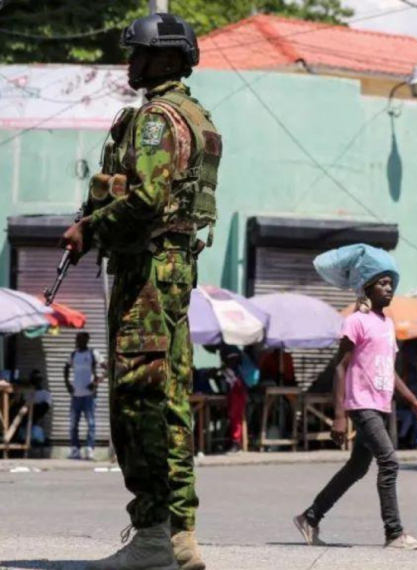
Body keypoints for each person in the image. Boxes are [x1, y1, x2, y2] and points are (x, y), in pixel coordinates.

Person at [62, 12, 222, 570]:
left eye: (140, 54)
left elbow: (148, 198)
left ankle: (155, 536)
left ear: (171, 59)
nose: (130, 63)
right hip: (173, 268)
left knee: (138, 403)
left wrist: (90, 228)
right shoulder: (194, 114)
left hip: (148, 272)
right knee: (170, 401)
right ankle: (178, 538)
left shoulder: (156, 118)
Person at [294, 244, 417, 550]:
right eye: (382, 283)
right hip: (361, 404)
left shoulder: (387, 325)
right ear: (366, 288)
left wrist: (414, 402)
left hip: (381, 405)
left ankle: (310, 517)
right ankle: (394, 533)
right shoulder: (356, 321)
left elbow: (390, 372)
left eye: (391, 282)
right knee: (389, 461)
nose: (389, 288)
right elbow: (340, 368)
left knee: (357, 468)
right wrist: (339, 415)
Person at [64, 332, 102, 460]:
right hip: (76, 395)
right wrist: (67, 384)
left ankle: (90, 449)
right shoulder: (73, 354)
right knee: (73, 424)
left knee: (91, 423)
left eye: (80, 339)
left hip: (89, 396)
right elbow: (66, 368)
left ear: (86, 340)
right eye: (77, 339)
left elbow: (107, 367)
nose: (77, 341)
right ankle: (75, 450)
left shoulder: (93, 354)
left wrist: (96, 382)